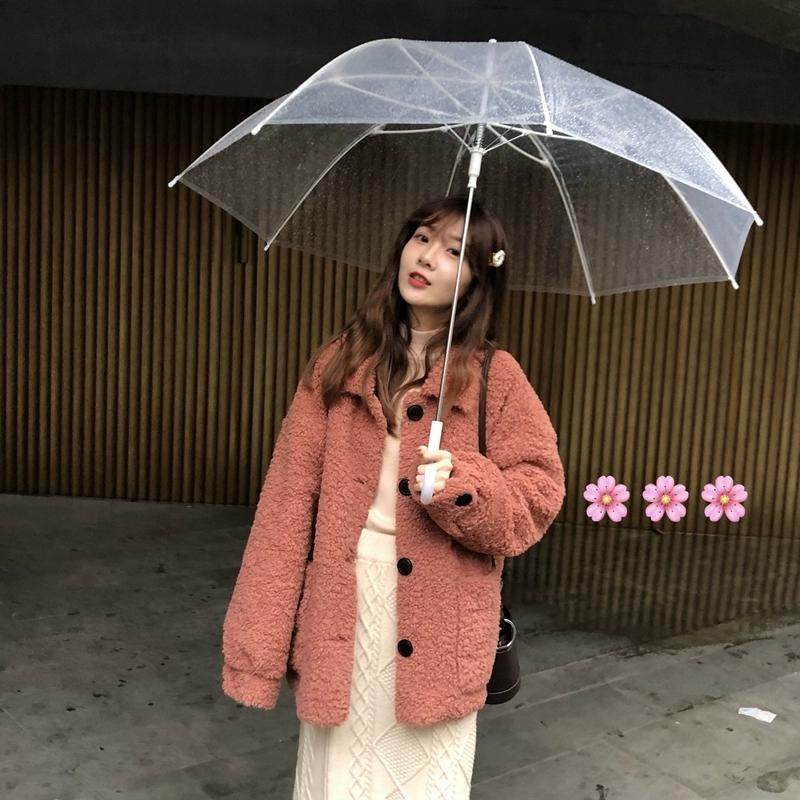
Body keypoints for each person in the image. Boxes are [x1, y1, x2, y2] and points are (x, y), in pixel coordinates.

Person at [220, 195, 567, 799]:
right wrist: (257, 646)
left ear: (479, 279)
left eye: (454, 251)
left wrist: (465, 486)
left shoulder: (496, 378)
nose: (427, 258)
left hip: (443, 627)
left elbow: (538, 495)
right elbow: (285, 507)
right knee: (338, 780)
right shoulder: (341, 362)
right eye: (422, 238)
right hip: (342, 613)